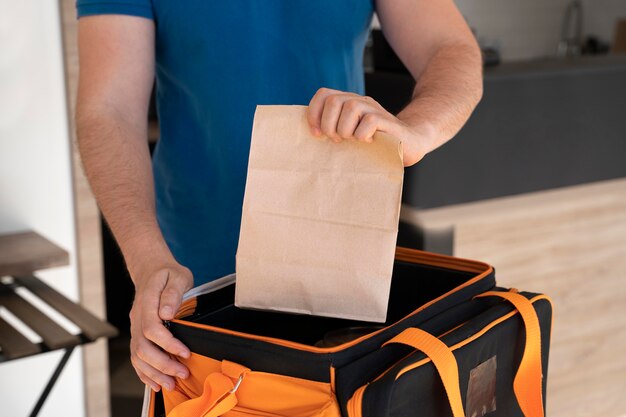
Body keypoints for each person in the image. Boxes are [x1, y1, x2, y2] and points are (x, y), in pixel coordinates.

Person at [75, 0, 483, 393]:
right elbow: (110, 109)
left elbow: (448, 47)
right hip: (193, 276)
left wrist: (416, 130)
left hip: (341, 260)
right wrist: (147, 261)